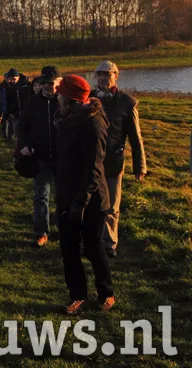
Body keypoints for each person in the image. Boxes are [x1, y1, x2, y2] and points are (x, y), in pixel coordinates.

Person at [54, 74, 114, 314]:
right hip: (67, 194)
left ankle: (106, 293)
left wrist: (80, 203)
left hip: (92, 198)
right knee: (68, 248)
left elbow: (93, 169)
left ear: (70, 98)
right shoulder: (66, 119)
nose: (57, 96)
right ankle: (77, 296)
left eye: (60, 93)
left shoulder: (93, 125)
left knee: (92, 248)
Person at [92, 61, 146, 258]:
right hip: (90, 161)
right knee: (90, 203)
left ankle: (109, 244)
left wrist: (140, 166)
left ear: (116, 76)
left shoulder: (127, 102)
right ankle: (91, 240)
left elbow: (136, 137)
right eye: (100, 74)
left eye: (108, 74)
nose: (103, 78)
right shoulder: (88, 98)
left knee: (112, 205)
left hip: (113, 161)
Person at [17, 66, 62, 248]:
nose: (50, 87)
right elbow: (22, 127)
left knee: (63, 196)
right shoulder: (33, 102)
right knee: (41, 195)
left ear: (59, 83)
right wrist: (24, 145)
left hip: (62, 157)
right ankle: (41, 232)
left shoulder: (65, 101)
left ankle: (63, 228)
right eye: (46, 83)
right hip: (40, 156)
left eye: (53, 83)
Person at [0, 68, 32, 142]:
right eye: (11, 79)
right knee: (18, 134)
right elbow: (8, 101)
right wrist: (10, 112)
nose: (13, 81)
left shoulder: (27, 85)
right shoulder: (9, 86)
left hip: (27, 114)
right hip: (16, 115)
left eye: (14, 79)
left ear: (18, 77)